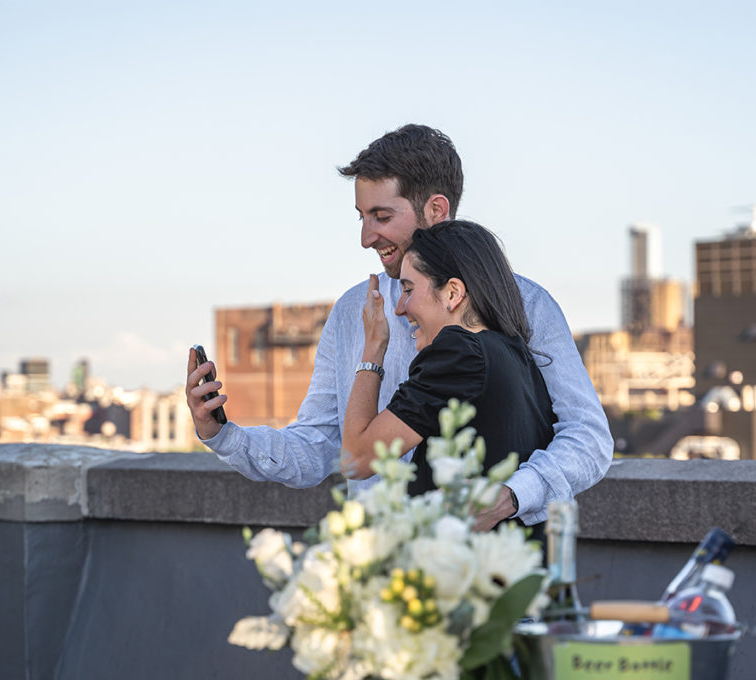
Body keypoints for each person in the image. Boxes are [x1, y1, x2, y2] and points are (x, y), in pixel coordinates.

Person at [186, 124, 612, 535]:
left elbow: (589, 439)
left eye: (381, 216)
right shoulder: (354, 310)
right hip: (381, 579)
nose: (366, 237)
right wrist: (224, 435)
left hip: (486, 580)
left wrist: (511, 495)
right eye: (361, 217)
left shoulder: (528, 305)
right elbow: (320, 444)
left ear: (436, 211)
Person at [341, 220, 555, 507]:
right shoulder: (515, 354)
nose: (399, 308)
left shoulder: (460, 352)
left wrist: (373, 347)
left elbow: (356, 459)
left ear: (453, 293)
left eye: (408, 289)